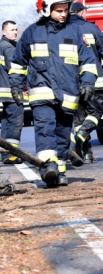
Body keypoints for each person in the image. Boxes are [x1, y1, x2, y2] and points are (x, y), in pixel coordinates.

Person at [10, 0, 98, 187]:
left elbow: (88, 61)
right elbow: (18, 62)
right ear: (45, 10)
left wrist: (88, 82)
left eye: (65, 10)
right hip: (41, 92)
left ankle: (61, 171)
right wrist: (16, 86)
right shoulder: (32, 32)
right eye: (58, 11)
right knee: (45, 129)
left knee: (63, 134)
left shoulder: (76, 32)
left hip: (68, 93)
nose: (63, 14)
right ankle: (48, 167)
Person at [68, 1, 102, 165]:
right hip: (94, 80)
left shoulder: (64, 31)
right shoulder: (92, 28)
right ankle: (80, 138)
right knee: (96, 112)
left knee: (79, 117)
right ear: (82, 13)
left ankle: (85, 154)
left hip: (73, 82)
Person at [0, 21, 26, 164]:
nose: (15, 32)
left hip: (3, 91)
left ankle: (4, 153)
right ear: (4, 32)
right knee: (15, 121)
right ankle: (11, 153)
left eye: (16, 29)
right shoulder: (8, 48)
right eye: (12, 30)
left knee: (6, 122)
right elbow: (16, 70)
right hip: (11, 91)